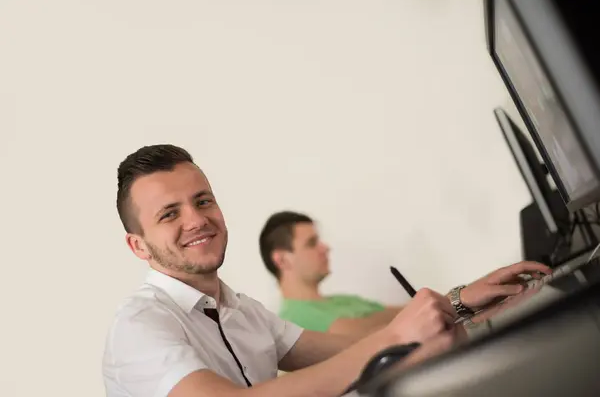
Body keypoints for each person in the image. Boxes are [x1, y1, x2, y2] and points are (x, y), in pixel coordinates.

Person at [102, 144, 551, 397]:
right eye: (169, 214)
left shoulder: (242, 310)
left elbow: (351, 349)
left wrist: (462, 301)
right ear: (137, 245)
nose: (196, 220)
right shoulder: (139, 324)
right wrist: (397, 337)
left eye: (203, 201)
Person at [259, 211, 548, 339]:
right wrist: (458, 298)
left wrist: (473, 293)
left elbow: (416, 312)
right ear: (282, 259)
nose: (325, 247)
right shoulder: (293, 318)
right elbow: (373, 335)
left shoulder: (340, 300)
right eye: (311, 243)